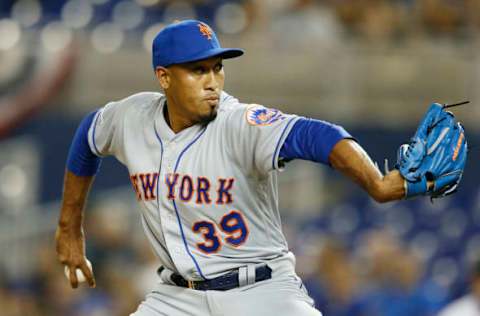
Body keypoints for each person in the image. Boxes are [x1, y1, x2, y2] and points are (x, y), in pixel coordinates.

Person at [55, 20, 465, 316]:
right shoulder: (132, 117)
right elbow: (88, 136)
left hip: (262, 293)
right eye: (198, 70)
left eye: (217, 67)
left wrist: (376, 182)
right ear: (164, 77)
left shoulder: (239, 123)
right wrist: (70, 227)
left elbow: (316, 136)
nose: (213, 80)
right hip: (176, 298)